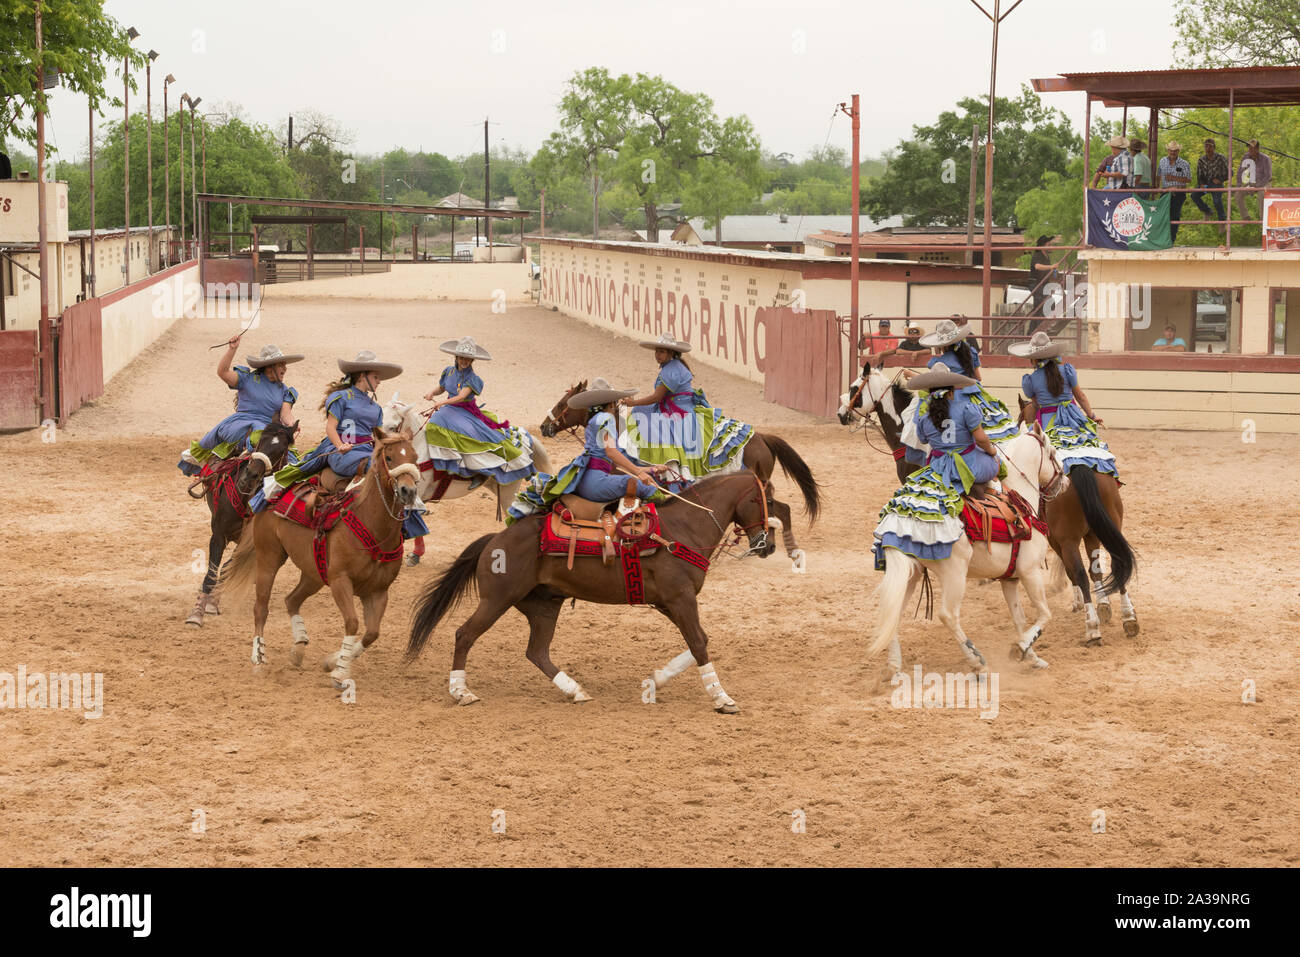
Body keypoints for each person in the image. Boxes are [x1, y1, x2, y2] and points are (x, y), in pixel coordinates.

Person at [253, 350, 428, 539]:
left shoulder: (376, 408)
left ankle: (404, 520)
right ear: (362, 376)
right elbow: (331, 427)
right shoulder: (341, 398)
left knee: (394, 467)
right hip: (340, 451)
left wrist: (399, 440)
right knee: (376, 467)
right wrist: (339, 445)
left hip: (365, 450)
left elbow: (378, 437)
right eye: (375, 377)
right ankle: (412, 502)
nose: (379, 381)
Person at [872, 369, 1001, 570]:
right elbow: (981, 439)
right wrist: (992, 451)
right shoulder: (966, 408)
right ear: (951, 392)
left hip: (938, 467)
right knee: (996, 466)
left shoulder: (925, 416)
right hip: (968, 463)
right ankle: (993, 502)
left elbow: (923, 440)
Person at [507, 379, 666, 524]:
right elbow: (611, 453)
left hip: (585, 480)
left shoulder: (594, 420)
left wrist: (649, 469)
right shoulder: (607, 419)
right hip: (596, 482)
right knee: (645, 487)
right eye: (615, 403)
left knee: (639, 481)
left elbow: (613, 460)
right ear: (611, 404)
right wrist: (639, 473)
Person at [620, 332, 753, 486]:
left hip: (678, 410)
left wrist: (633, 403)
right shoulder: (676, 366)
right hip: (680, 405)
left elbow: (657, 397)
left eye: (661, 351)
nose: (657, 355)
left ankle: (671, 470)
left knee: (645, 421)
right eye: (657, 351)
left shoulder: (670, 371)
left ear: (671, 353)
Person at [422, 336, 537, 485]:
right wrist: (432, 393)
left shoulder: (472, 378)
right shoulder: (448, 372)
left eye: (468, 359)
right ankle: (445, 463)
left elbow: (461, 397)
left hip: (464, 411)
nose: (464, 361)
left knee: (471, 436)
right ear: (456, 357)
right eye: (462, 358)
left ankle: (478, 471)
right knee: (434, 423)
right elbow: (442, 387)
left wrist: (442, 402)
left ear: (472, 361)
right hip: (449, 409)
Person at [178, 342, 302, 477]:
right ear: (269, 367)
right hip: (242, 423)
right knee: (261, 436)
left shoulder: (284, 390)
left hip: (269, 428)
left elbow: (285, 414)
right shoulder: (247, 379)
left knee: (289, 459)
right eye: (280, 365)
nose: (285, 368)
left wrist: (292, 425)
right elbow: (223, 372)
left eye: (284, 365)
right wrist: (232, 349)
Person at [1010, 331, 1117, 478]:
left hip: (1048, 421)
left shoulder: (1031, 380)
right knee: (1091, 442)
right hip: (1074, 417)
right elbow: (1081, 396)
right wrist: (1092, 415)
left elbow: (1035, 404)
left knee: (1033, 451)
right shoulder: (1068, 371)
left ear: (1034, 359)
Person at [1157, 141, 1192, 242]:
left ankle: (1171, 239)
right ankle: (1162, 238)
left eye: (1175, 151)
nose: (1172, 152)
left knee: (1174, 215)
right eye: (1171, 150)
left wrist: (1173, 177)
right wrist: (1157, 187)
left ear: (1178, 151)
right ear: (1168, 150)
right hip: (1165, 191)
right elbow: (1158, 174)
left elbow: (1188, 179)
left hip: (1178, 193)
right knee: (1162, 215)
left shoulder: (1184, 163)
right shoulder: (1162, 161)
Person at [1191, 139, 1228, 231]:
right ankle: (1207, 211)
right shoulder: (1201, 160)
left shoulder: (1220, 158)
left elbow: (1229, 172)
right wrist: (1202, 184)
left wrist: (1220, 179)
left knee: (1216, 201)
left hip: (1216, 184)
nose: (1207, 148)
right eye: (1206, 146)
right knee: (1194, 195)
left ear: (1214, 147)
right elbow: (1199, 174)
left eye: (1210, 146)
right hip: (1206, 183)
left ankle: (1222, 221)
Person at [1236, 138, 1273, 226]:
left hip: (1264, 182)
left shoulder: (1265, 159)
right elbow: (1240, 172)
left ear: (1257, 148)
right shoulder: (1246, 157)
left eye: (1253, 148)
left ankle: (1262, 220)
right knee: (1238, 194)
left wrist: (1256, 187)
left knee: (1262, 194)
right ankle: (1245, 217)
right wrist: (1239, 185)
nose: (1250, 150)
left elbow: (1268, 176)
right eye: (1249, 148)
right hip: (1251, 181)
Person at [1028, 235, 1057, 317]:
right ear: (1042, 246)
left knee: (1038, 308)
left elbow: (1046, 274)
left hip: (1042, 285)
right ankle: (1040, 324)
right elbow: (1037, 266)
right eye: (1048, 245)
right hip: (1035, 284)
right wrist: (1051, 267)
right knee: (1050, 303)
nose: (1051, 247)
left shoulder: (1047, 258)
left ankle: (1032, 329)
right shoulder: (1037, 255)